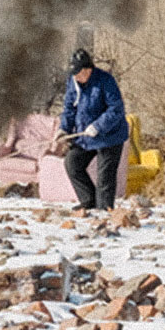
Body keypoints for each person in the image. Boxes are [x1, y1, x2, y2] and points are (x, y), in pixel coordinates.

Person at [57, 48, 128, 211]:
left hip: (110, 136)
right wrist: (64, 129)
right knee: (72, 163)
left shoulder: (105, 80)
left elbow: (116, 109)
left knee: (104, 177)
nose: (75, 76)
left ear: (88, 69)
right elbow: (69, 108)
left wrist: (98, 126)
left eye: (78, 72)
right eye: (73, 72)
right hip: (86, 136)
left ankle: (104, 210)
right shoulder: (73, 82)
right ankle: (88, 201)